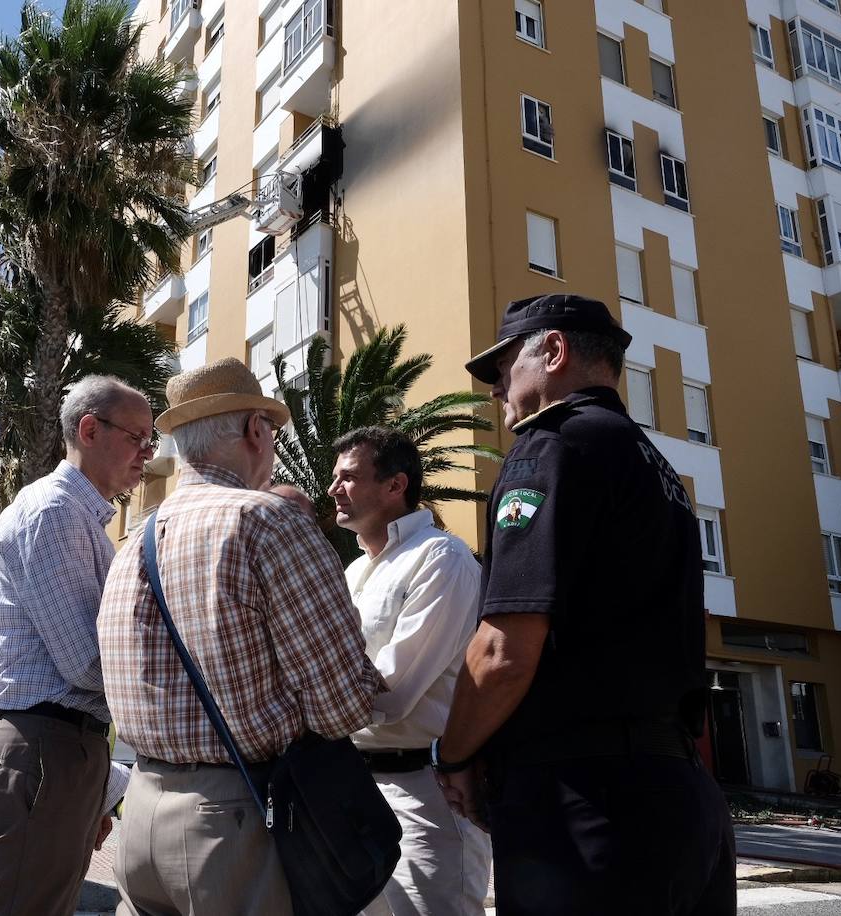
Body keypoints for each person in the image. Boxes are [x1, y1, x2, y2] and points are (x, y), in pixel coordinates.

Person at [434, 294, 736, 915]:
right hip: (685, 798)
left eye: (502, 370)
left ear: (552, 350)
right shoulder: (658, 468)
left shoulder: (551, 448)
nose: (497, 392)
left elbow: (503, 648)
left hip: (589, 803)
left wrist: (455, 754)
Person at [99, 357, 384, 916]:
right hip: (234, 820)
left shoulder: (132, 543)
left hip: (142, 812)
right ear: (256, 430)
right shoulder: (266, 521)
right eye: (272, 430)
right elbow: (342, 706)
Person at [0, 375, 157, 916]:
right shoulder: (56, 513)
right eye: (137, 437)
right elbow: (84, 661)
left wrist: (97, 781)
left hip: (60, 749)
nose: (146, 453)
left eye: (152, 440)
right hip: (48, 746)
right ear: (90, 429)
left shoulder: (80, 517)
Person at [328, 427, 491, 916]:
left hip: (426, 795)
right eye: (335, 476)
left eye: (349, 477)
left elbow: (393, 694)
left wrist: (308, 694)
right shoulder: (354, 572)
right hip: (356, 787)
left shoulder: (443, 558)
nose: (334, 488)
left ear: (396, 485)